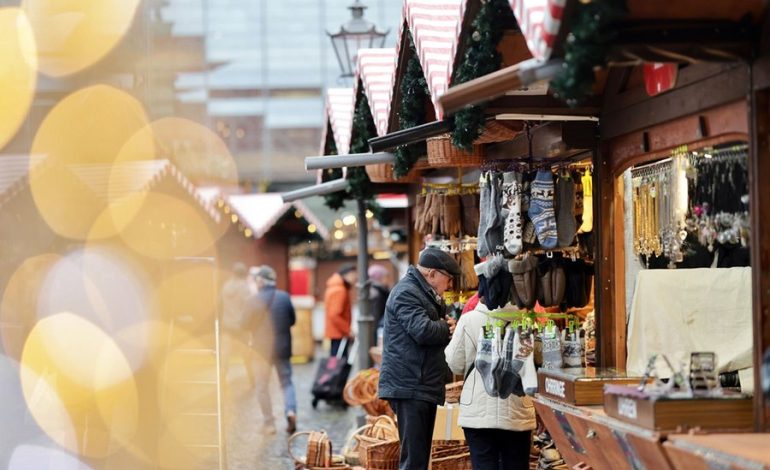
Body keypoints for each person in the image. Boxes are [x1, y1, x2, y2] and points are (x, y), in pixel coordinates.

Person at [378, 248, 461, 470]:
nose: (449, 285)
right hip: (410, 385)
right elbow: (422, 330)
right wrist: (446, 327)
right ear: (432, 274)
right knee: (414, 460)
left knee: (419, 458)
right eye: (448, 278)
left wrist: (443, 324)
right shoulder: (406, 292)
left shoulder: (421, 291)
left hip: (420, 384)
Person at [445, 301, 536, 470]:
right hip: (517, 411)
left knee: (483, 464)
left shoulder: (468, 320)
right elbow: (537, 362)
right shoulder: (526, 322)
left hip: (477, 412)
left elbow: (454, 363)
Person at [248, 265, 298, 434]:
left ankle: (269, 423)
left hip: (261, 351)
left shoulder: (253, 300)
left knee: (262, 386)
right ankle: (290, 411)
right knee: (286, 383)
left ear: (261, 281)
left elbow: (243, 324)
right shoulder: (284, 297)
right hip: (283, 348)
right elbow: (292, 320)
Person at [220, 262, 255, 385]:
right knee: (247, 354)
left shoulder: (225, 286)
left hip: (227, 326)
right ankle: (252, 378)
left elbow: (220, 304)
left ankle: (222, 378)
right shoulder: (244, 287)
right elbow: (249, 306)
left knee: (225, 354)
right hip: (241, 326)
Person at [324, 263, 357, 357]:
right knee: (339, 362)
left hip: (337, 332)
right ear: (346, 274)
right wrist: (347, 330)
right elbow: (334, 315)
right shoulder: (340, 290)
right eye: (353, 274)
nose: (355, 278)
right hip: (339, 333)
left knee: (336, 360)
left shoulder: (335, 287)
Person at [368, 264, 392, 345]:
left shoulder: (380, 291)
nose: (388, 279)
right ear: (378, 277)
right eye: (386, 277)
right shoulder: (376, 293)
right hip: (377, 330)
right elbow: (376, 316)